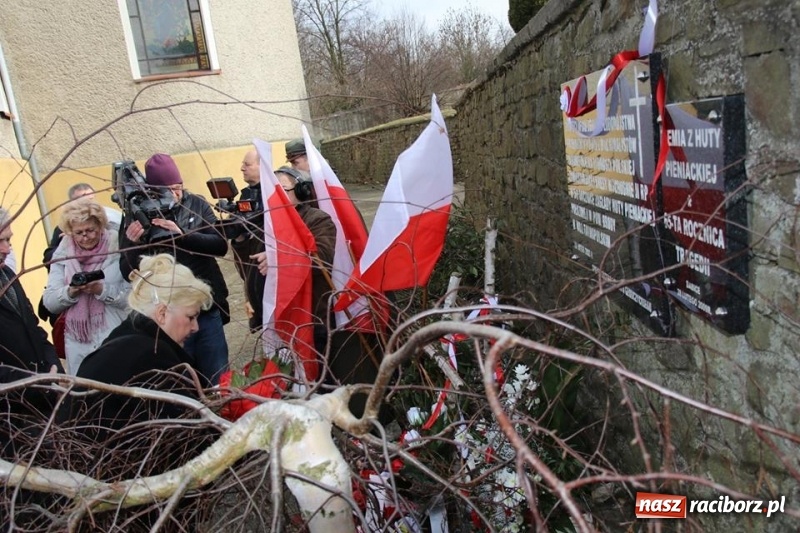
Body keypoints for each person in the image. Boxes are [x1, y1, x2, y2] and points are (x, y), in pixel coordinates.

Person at [118, 153, 230, 385]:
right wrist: (132, 243)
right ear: (153, 191)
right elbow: (126, 270)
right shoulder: (137, 212)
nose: (175, 193)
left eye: (178, 186)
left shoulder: (196, 203)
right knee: (182, 379)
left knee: (218, 377)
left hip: (206, 308)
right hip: (169, 315)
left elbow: (219, 245)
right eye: (167, 189)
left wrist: (183, 235)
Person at [253, 166, 336, 355]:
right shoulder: (267, 223)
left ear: (300, 192)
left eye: (283, 189)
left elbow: (322, 259)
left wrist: (278, 256)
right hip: (277, 316)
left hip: (311, 315)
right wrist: (240, 240)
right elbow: (250, 269)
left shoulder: (318, 219)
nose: (275, 196)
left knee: (316, 375)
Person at [42, 200, 130, 374]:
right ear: (69, 232)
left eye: (90, 230)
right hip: (78, 344)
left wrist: (102, 291)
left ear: (100, 225)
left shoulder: (118, 249)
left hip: (115, 335)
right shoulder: (63, 255)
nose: (85, 237)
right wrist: (70, 292)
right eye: (79, 233)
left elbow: (133, 299)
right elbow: (50, 302)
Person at [0, 207, 63, 403]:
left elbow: (33, 328)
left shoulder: (7, 276)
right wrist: (35, 382)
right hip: (9, 406)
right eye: (0, 241)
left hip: (40, 397)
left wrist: (54, 366)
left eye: (8, 240)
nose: (7, 249)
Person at [229, 148, 267, 330]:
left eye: (247, 164)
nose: (242, 168)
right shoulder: (245, 196)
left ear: (262, 166)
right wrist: (238, 238)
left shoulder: (273, 194)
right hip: (251, 267)